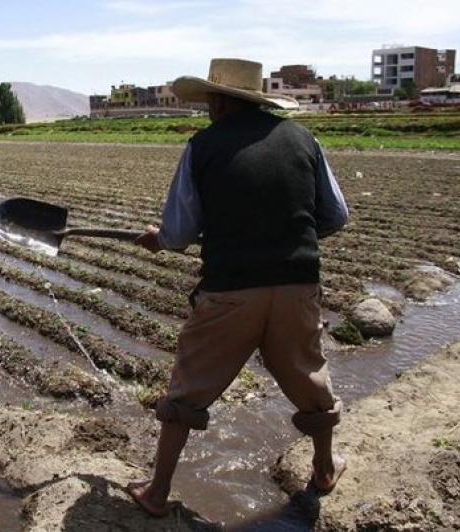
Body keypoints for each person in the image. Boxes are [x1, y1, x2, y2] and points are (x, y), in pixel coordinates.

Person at [130, 58, 349, 517]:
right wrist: (287, 238)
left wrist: (160, 240)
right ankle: (325, 468)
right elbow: (335, 216)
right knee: (310, 376)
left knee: (188, 388)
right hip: (296, 286)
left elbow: (178, 231)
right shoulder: (302, 139)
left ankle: (157, 492)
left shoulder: (203, 146)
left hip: (231, 291)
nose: (207, 107)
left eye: (210, 99)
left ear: (221, 101)